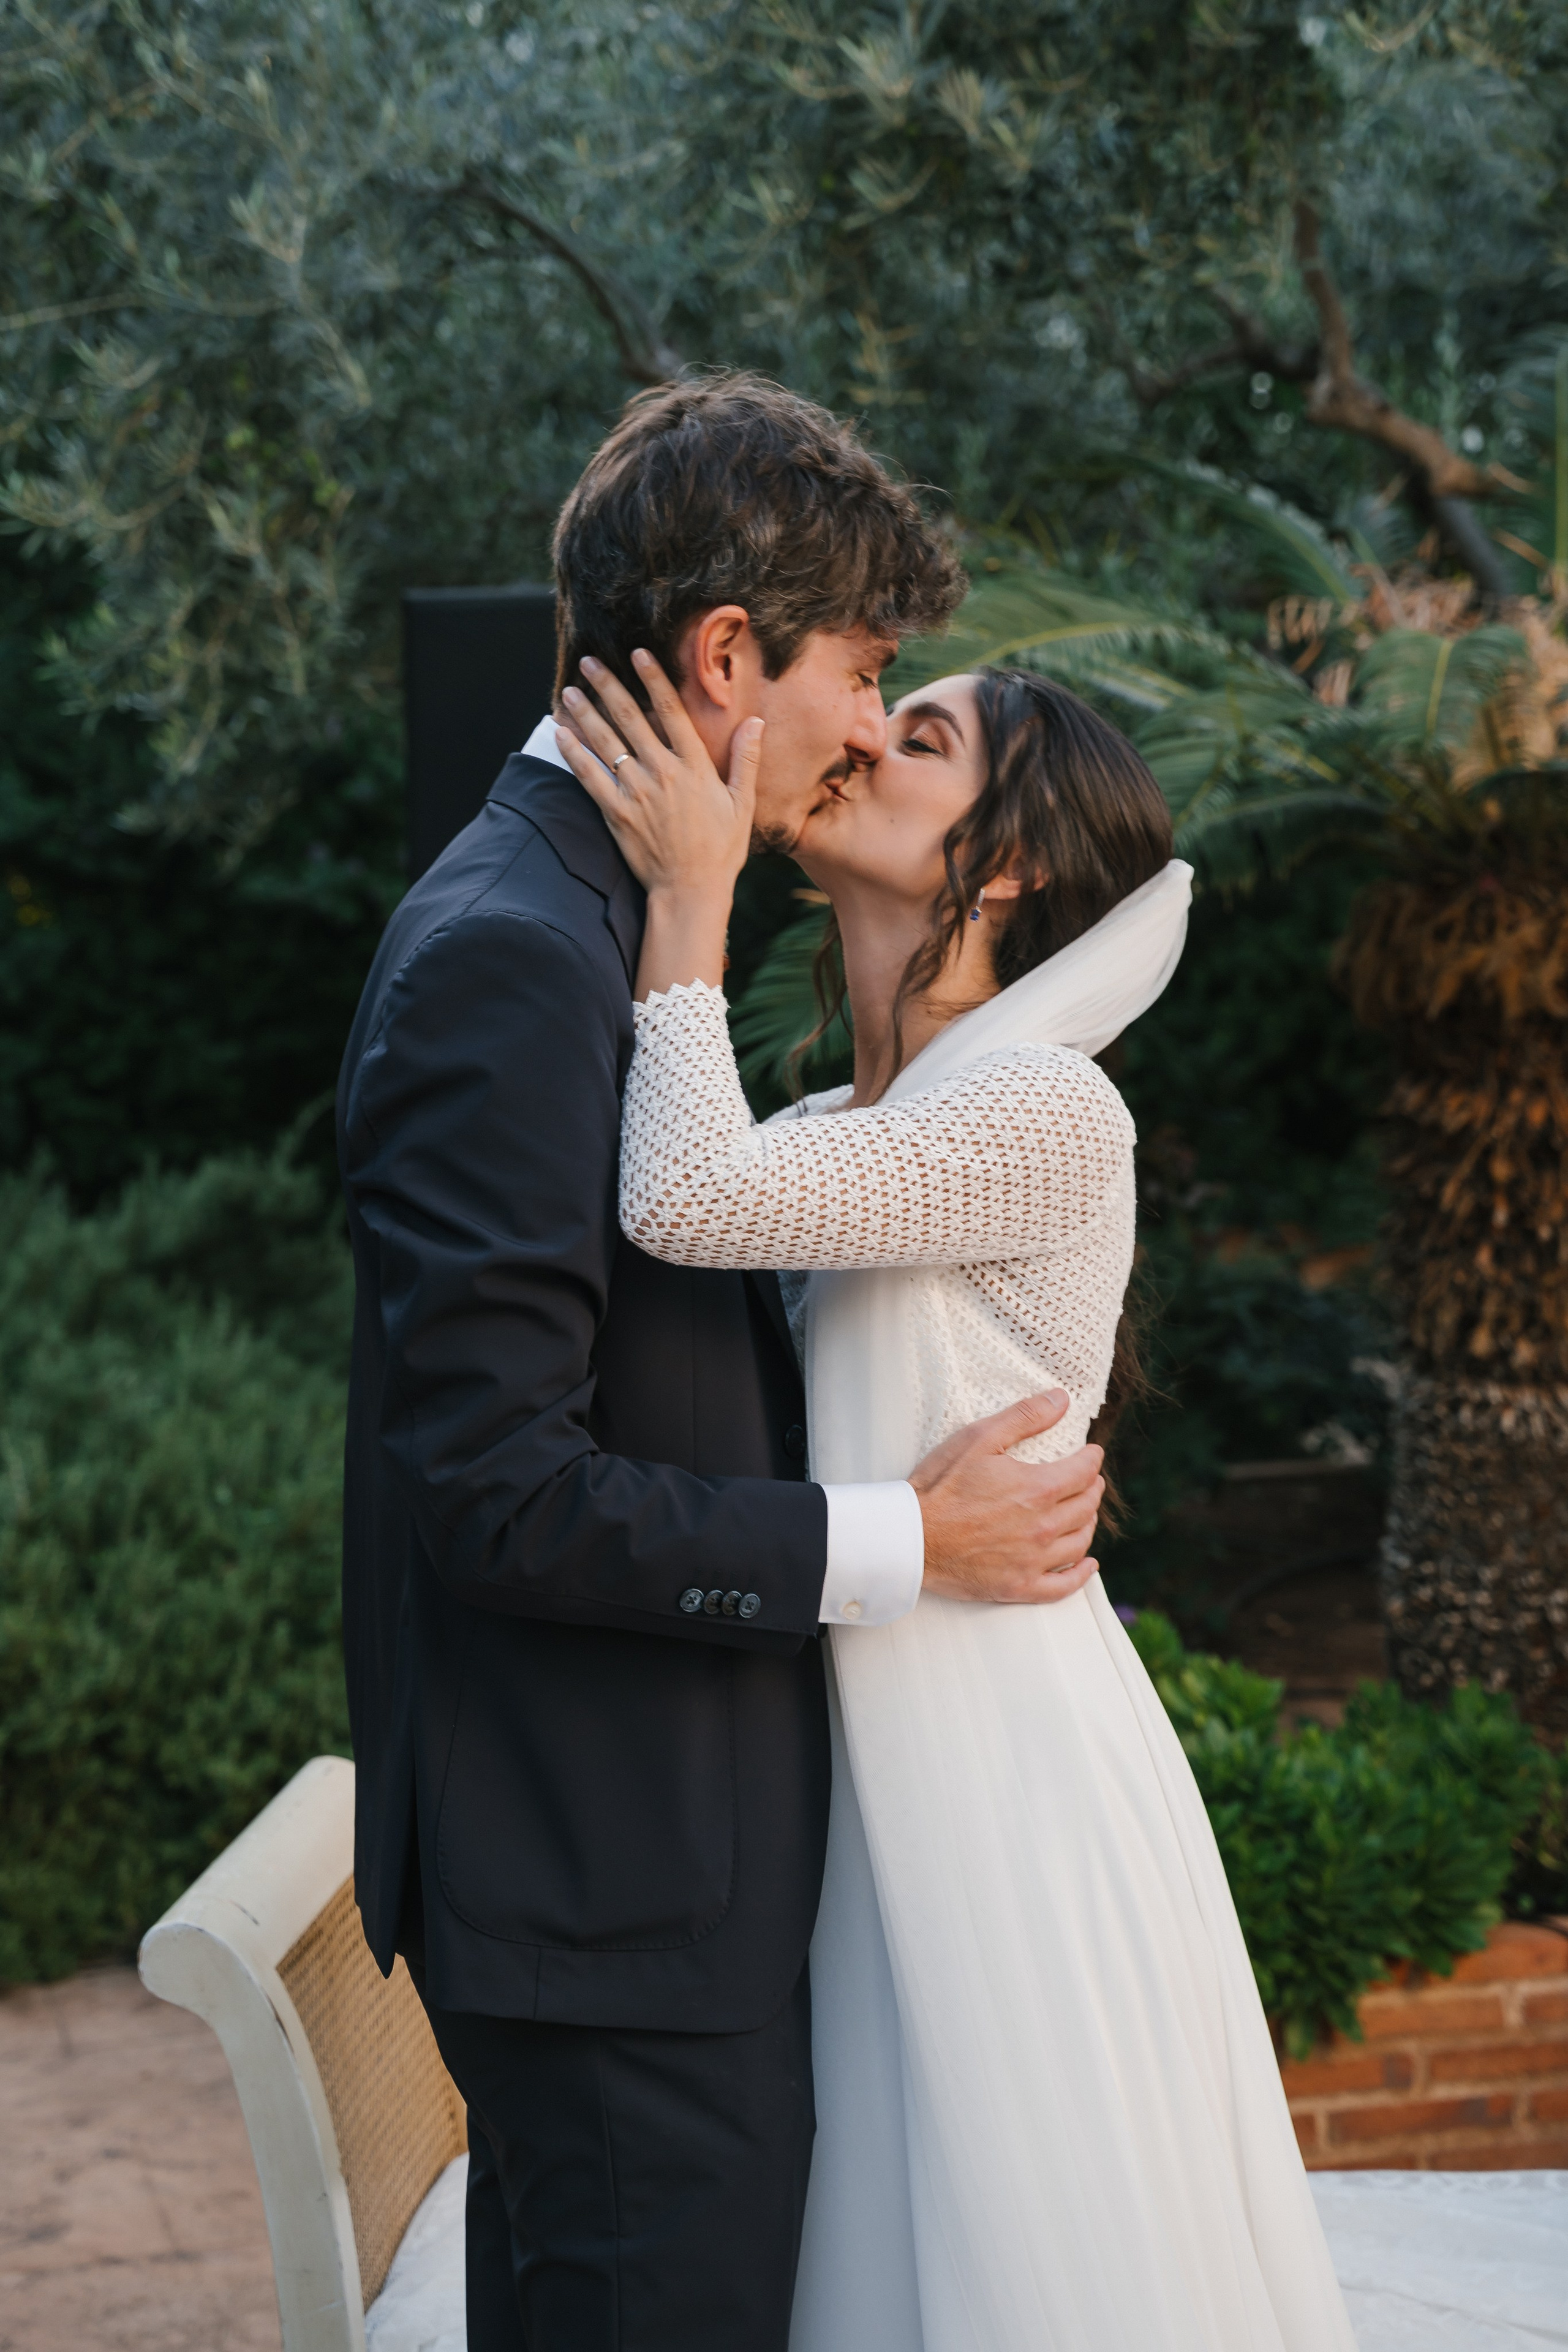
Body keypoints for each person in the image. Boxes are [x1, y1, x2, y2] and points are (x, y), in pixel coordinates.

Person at [334, 374, 1110, 2352]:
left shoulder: (609, 934)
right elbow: (499, 1490)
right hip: (615, 1913)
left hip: (671, 1897)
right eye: (864, 671)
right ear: (729, 655)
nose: (867, 725)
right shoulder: (522, 950)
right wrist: (898, 1542)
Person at [556, 652, 1360, 2351]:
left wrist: (690, 888)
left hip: (1011, 1780)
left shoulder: (1049, 1107)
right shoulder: (832, 1129)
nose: (861, 738)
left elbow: (682, 1195)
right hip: (858, 1770)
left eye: (918, 735)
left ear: (1005, 864)